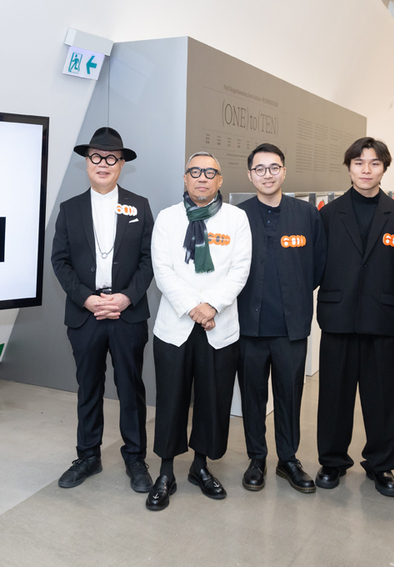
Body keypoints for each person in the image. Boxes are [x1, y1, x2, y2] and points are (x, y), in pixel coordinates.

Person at [146, 151, 252, 511]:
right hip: (176, 325)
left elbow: (240, 270)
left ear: (220, 180)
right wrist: (194, 307)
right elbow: (162, 269)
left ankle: (201, 466)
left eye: (210, 172)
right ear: (185, 178)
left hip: (218, 325)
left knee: (213, 398)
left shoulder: (236, 219)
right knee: (171, 399)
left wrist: (212, 307)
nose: (202, 178)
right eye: (195, 171)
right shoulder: (167, 218)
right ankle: (166, 472)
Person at [51, 127, 155, 493]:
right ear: (87, 162)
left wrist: (126, 297)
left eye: (112, 158)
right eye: (96, 156)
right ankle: (88, 456)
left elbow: (149, 260)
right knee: (88, 388)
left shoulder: (139, 206)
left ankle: (136, 458)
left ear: (122, 164)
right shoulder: (70, 209)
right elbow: (60, 261)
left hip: (128, 314)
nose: (103, 163)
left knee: (131, 388)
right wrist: (86, 298)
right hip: (86, 314)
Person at [315, 137, 394, 497]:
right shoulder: (328, 214)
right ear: (349, 167)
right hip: (338, 318)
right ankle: (332, 461)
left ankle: (381, 465)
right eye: (359, 163)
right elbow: (316, 266)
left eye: (374, 163)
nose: (366, 170)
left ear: (384, 168)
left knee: (383, 398)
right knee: (334, 395)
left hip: (384, 320)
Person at [235, 143, 326, 493]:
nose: (267, 174)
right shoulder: (237, 216)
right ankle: (256, 458)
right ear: (250, 175)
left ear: (284, 172)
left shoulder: (307, 215)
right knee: (253, 397)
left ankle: (288, 459)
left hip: (291, 328)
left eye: (274, 167)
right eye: (260, 169)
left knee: (290, 395)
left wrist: (294, 295)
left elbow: (318, 266)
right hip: (248, 326)